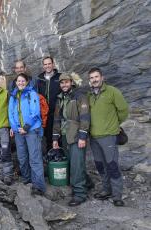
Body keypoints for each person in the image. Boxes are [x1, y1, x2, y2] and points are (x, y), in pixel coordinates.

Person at [88, 67, 128, 207]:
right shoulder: (90, 96)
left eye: (96, 76)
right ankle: (106, 190)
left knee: (112, 165)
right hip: (93, 137)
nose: (94, 79)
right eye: (92, 77)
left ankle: (117, 196)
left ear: (102, 77)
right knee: (100, 165)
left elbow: (123, 111)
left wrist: (114, 125)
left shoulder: (112, 92)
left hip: (109, 136)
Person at [52, 73, 90, 206]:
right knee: (74, 163)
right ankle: (88, 183)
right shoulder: (60, 98)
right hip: (64, 135)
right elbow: (57, 119)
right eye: (62, 83)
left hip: (76, 135)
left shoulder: (80, 96)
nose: (64, 85)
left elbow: (85, 117)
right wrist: (55, 138)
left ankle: (80, 194)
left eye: (66, 82)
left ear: (72, 83)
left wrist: (83, 136)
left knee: (76, 165)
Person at [8, 73, 46, 195]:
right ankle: (27, 179)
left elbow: (35, 112)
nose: (20, 83)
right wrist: (15, 127)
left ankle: (38, 186)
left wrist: (26, 127)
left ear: (27, 82)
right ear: (15, 82)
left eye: (23, 81)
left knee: (34, 158)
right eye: (18, 81)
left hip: (31, 130)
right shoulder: (13, 96)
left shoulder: (32, 94)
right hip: (19, 132)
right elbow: (10, 113)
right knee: (22, 157)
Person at [37, 56, 61, 150]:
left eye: (49, 64)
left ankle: (59, 158)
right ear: (43, 66)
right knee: (47, 137)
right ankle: (49, 158)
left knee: (58, 136)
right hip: (44, 114)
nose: (47, 66)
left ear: (53, 64)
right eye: (45, 64)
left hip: (57, 112)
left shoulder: (59, 77)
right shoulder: (39, 79)